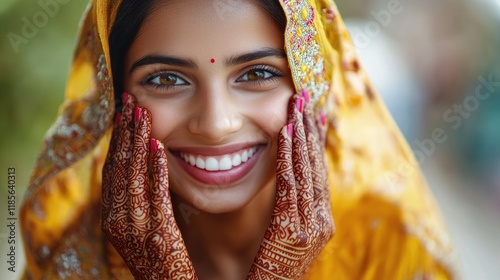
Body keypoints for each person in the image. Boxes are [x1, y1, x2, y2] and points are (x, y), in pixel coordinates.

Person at [20, 0, 456, 279]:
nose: (216, 123)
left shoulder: (385, 250)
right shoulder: (78, 255)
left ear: (313, 87)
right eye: (167, 79)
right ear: (114, 99)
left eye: (258, 74)